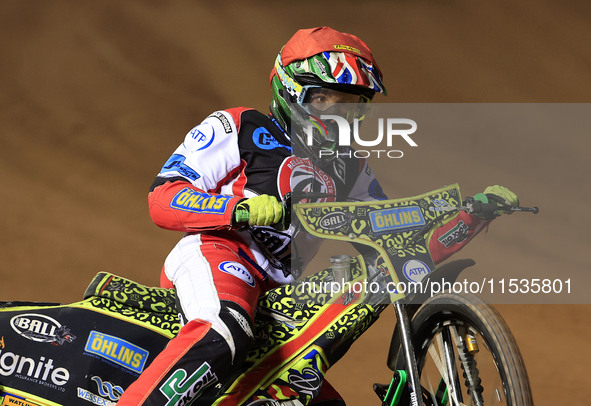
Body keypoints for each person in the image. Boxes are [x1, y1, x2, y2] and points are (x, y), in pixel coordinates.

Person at [117, 26, 518, 406]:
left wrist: (471, 217)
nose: (337, 115)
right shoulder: (238, 125)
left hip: (284, 294)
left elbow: (393, 239)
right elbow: (163, 197)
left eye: (351, 105)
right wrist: (237, 209)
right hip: (219, 254)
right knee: (226, 328)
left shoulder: (350, 165)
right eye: (324, 99)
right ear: (290, 90)